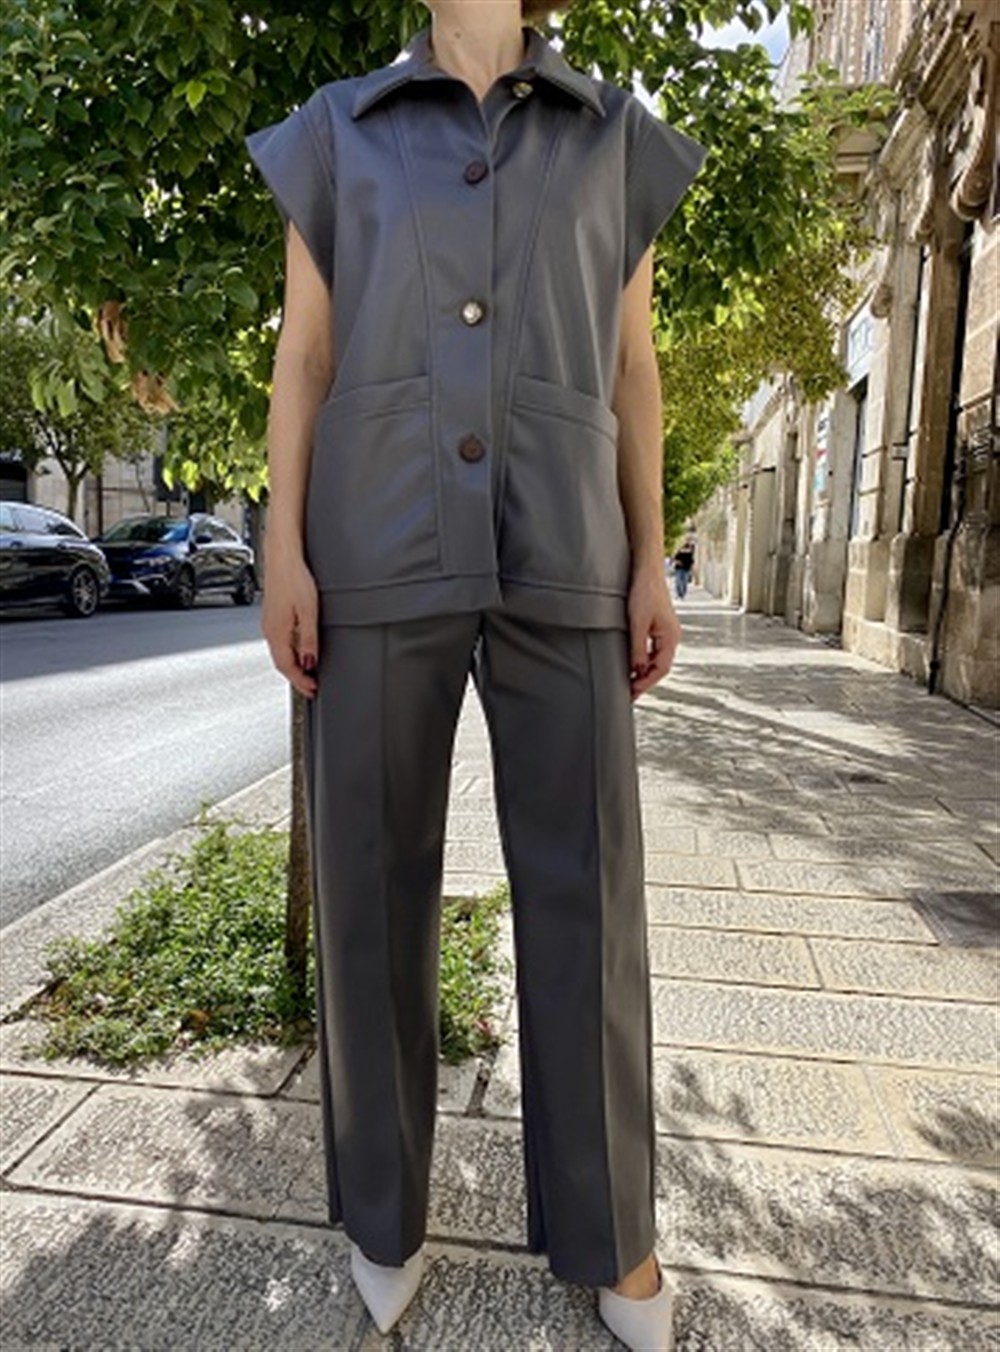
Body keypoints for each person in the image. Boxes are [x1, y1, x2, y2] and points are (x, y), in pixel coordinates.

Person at [245, 2, 705, 1346]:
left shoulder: (613, 137)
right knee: (372, 881)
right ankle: (383, 1214)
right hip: (377, 534)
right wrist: (282, 546)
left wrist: (652, 558)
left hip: (566, 535)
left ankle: (613, 1233)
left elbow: (633, 363)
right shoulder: (339, 130)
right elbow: (305, 355)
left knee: (589, 891)